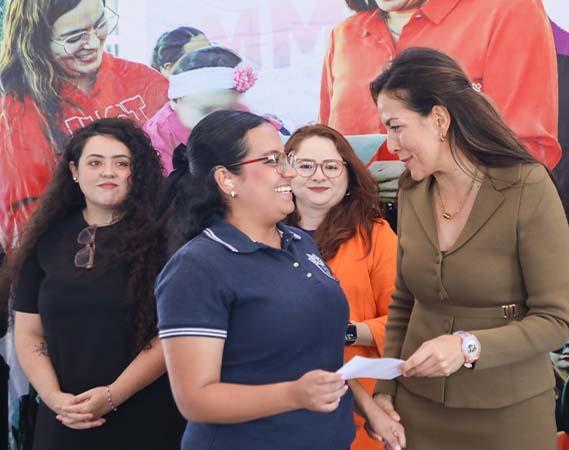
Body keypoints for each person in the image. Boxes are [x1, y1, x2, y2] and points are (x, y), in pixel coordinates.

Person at [155, 110, 402, 450]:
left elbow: (319, 358)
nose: (288, 171)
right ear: (227, 179)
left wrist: (368, 407)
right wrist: (293, 395)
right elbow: (195, 399)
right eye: (273, 161)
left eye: (285, 158)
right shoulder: (197, 267)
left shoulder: (300, 243)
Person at [368, 47, 569, 450]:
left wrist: (468, 346)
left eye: (396, 126)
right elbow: (404, 303)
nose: (390, 144)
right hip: (418, 410)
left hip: (508, 416)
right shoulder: (412, 190)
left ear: (439, 119)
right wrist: (385, 390)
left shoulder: (526, 186)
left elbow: (555, 320)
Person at [2, 118, 184, 449]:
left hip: (145, 422)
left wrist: (112, 396)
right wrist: (55, 398)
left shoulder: (165, 239)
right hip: (62, 421)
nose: (108, 172)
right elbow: (29, 333)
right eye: (95, 162)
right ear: (75, 170)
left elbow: (169, 337)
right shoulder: (44, 238)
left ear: (136, 173)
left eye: (121, 163)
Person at [321, 0, 561, 211]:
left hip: (465, 231)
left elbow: (527, 152)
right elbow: (322, 147)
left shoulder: (508, 9)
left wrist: (429, 189)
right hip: (355, 233)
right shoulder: (343, 36)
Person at [0, 0, 168, 251]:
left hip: (157, 244)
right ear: (38, 41)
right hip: (76, 256)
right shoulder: (18, 111)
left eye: (99, 24)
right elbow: (22, 212)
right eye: (73, 37)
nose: (92, 42)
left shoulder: (145, 81)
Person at [283, 124, 400, 450]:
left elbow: (404, 321)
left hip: (360, 407)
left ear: (348, 176)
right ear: (285, 172)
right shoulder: (263, 235)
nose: (318, 175)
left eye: (331, 166)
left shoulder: (375, 235)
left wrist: (347, 331)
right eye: (305, 165)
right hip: (278, 402)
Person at [144, 46, 255, 173]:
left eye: (228, 111)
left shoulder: (243, 116)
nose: (219, 120)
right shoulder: (158, 138)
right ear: (175, 101)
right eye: (206, 110)